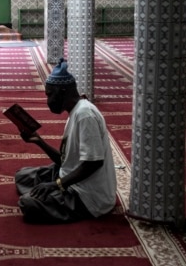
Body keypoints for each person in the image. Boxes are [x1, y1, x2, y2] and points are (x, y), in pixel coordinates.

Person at [15, 58, 117, 224]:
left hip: (87, 194)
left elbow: (93, 163)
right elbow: (64, 161)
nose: (48, 101)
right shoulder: (75, 111)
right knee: (22, 176)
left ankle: (53, 197)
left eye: (49, 95)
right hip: (70, 176)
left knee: (28, 204)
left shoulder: (85, 115)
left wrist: (57, 185)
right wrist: (38, 141)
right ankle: (46, 192)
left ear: (62, 91)